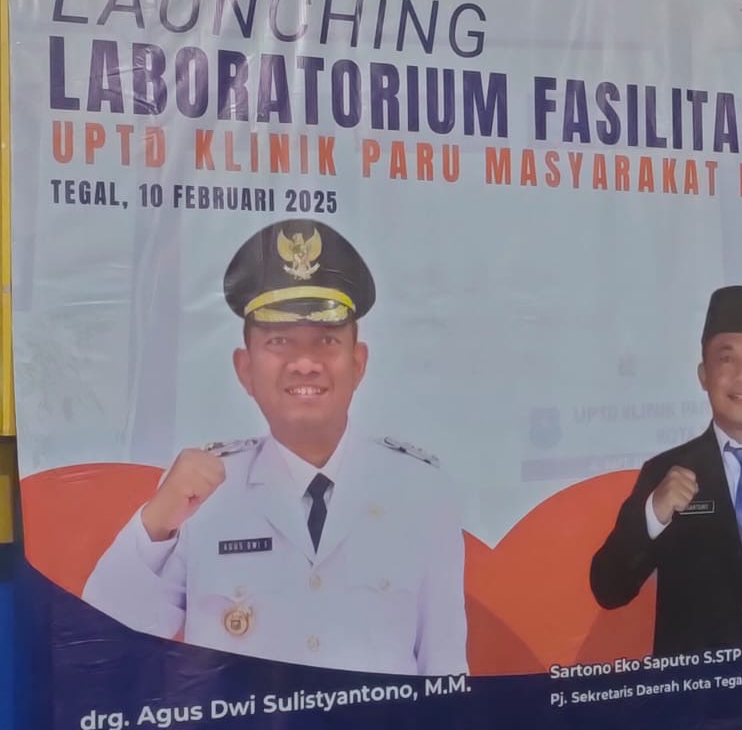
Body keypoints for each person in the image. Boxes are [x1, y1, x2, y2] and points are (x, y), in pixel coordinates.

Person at [82, 218, 468, 677]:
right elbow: (103, 641)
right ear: (245, 369)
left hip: (378, 728)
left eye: (326, 340)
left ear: (358, 362)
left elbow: (444, 670)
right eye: (279, 341)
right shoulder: (201, 494)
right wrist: (155, 526)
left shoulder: (421, 492)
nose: (304, 363)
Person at [590, 285, 742, 656]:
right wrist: (653, 514)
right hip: (693, 687)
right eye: (726, 359)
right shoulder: (665, 471)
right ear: (703, 375)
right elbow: (608, 588)